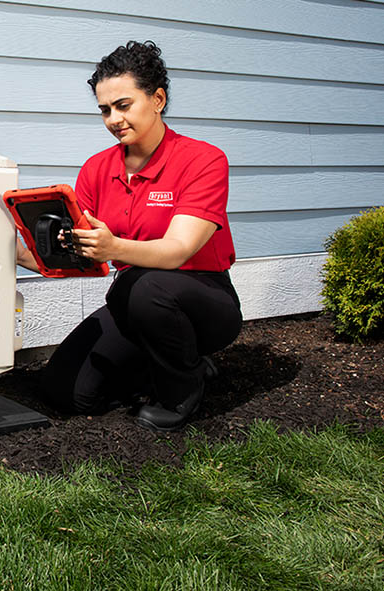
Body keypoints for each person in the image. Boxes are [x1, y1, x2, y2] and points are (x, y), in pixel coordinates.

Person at [16, 40, 242, 432]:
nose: (113, 118)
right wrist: (13, 252)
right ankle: (173, 364)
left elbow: (178, 250)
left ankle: (180, 388)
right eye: (105, 110)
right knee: (66, 393)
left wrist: (115, 247)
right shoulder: (97, 169)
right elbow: (84, 258)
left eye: (123, 105)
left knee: (141, 285)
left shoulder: (203, 160)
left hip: (203, 301)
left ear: (157, 99)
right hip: (132, 300)